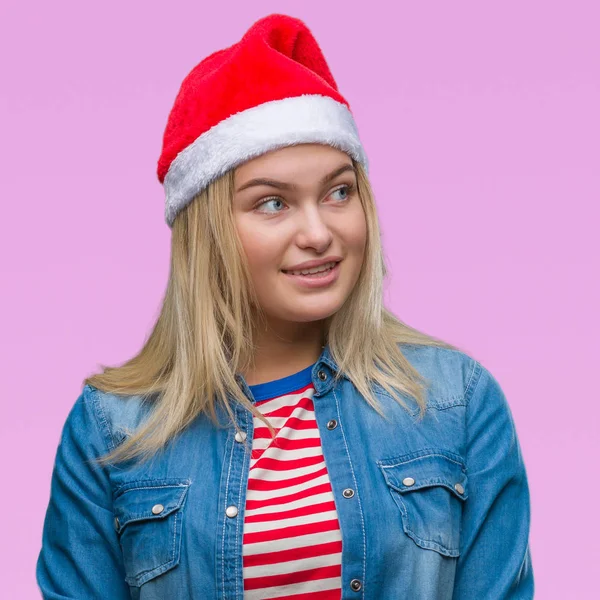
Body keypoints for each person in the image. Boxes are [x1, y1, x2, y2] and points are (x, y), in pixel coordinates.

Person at [36, 12, 534, 600]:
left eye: (339, 191)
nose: (319, 232)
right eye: (273, 203)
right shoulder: (110, 431)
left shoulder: (457, 402)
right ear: (209, 232)